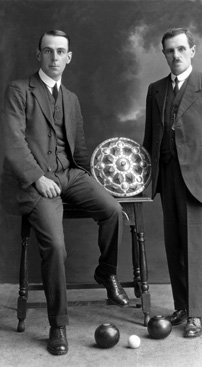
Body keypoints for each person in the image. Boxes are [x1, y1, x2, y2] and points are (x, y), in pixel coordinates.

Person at [1, 30, 129, 355]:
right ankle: (58, 324)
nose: (54, 58)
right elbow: (12, 142)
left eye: (61, 52)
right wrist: (36, 178)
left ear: (68, 57)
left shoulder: (70, 98)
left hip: (71, 175)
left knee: (113, 211)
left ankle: (106, 272)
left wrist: (89, 179)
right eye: (48, 51)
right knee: (56, 246)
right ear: (38, 55)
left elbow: (80, 148)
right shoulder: (19, 90)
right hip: (38, 182)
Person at [143, 28, 202, 338]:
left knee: (195, 248)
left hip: (198, 179)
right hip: (166, 177)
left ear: (192, 50)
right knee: (174, 245)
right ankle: (182, 306)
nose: (176, 55)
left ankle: (196, 315)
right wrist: (145, 179)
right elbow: (149, 139)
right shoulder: (155, 90)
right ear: (164, 54)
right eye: (170, 50)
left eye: (181, 49)